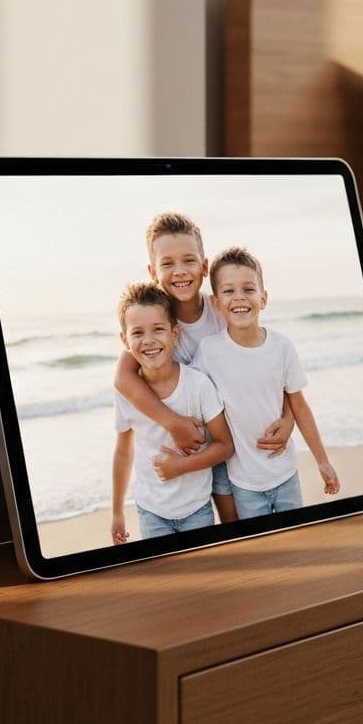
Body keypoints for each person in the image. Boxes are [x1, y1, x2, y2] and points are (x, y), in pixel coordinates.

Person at [113, 212, 295, 523]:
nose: (180, 271)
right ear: (152, 272)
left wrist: (289, 416)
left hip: (236, 442)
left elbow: (266, 361)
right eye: (167, 263)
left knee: (242, 525)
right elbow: (123, 377)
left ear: (205, 266)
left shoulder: (222, 311)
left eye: (188, 261)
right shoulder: (156, 321)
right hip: (196, 446)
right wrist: (173, 424)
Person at [193, 247, 340, 520]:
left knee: (295, 541)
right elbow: (188, 391)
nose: (239, 297)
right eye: (228, 291)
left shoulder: (282, 347)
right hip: (244, 482)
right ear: (215, 303)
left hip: (285, 474)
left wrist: (323, 461)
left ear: (264, 298)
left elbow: (300, 406)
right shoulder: (209, 351)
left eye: (248, 289)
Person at [110, 282, 234, 544]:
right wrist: (117, 510)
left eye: (158, 329)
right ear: (124, 340)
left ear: (174, 333)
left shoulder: (198, 385)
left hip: (196, 509)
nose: (149, 340)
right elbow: (123, 451)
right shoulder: (126, 393)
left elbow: (225, 445)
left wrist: (181, 467)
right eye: (138, 333)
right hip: (151, 511)